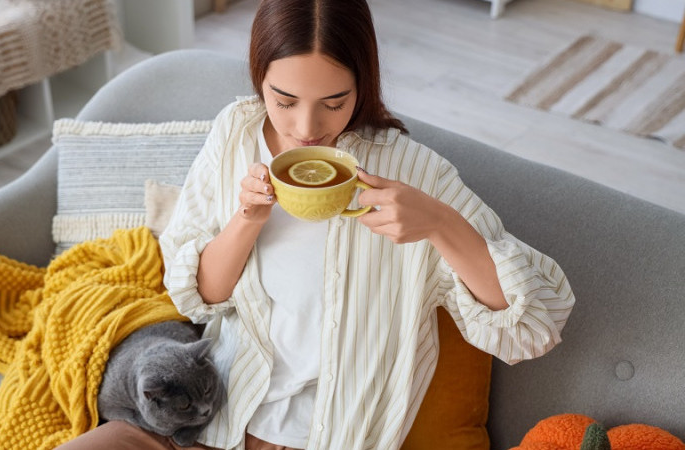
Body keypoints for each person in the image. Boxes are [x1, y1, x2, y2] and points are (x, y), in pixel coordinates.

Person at [59, 0, 575, 449]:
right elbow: (198, 297)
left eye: (334, 103)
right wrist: (246, 220)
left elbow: (536, 326)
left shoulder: (413, 172)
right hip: (204, 419)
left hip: (324, 436)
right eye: (283, 100)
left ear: (363, 83)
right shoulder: (236, 132)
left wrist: (440, 223)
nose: (306, 128)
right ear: (259, 75)